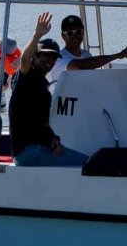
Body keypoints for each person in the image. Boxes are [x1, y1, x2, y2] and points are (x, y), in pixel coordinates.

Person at [10, 12, 88, 167]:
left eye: (53, 57)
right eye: (45, 56)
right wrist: (37, 34)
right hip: (28, 151)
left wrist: (54, 139)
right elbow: (24, 60)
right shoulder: (25, 78)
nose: (50, 61)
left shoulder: (44, 88)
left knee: (86, 161)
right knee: (86, 164)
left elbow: (42, 124)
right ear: (35, 57)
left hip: (41, 147)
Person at [52, 14, 127, 84]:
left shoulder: (86, 54)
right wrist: (118, 55)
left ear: (83, 33)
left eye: (78, 32)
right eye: (70, 33)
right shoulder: (59, 58)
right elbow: (81, 65)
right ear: (63, 36)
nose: (75, 36)